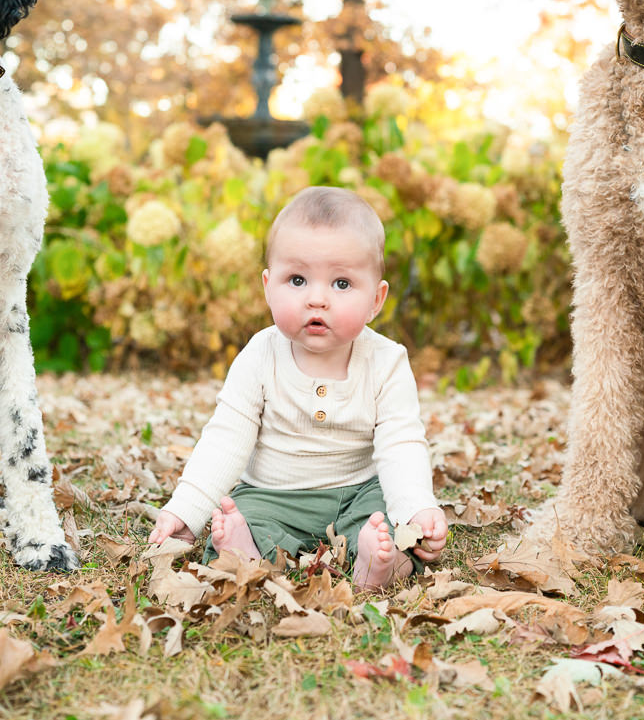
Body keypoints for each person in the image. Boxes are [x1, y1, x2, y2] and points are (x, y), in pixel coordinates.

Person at [149, 186, 447, 589]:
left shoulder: (386, 360)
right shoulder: (260, 354)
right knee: (242, 516)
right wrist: (186, 510)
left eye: (341, 284)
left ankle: (380, 563)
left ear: (376, 299)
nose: (317, 299)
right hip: (275, 495)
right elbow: (226, 437)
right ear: (268, 286)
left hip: (360, 491)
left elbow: (401, 443)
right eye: (298, 279)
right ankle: (246, 551)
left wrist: (416, 506)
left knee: (387, 521)